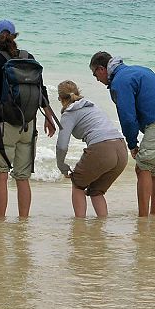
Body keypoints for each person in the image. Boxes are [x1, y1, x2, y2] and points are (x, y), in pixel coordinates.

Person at [89, 51, 155, 217]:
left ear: (102, 69)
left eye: (95, 74)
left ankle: (143, 217)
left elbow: (127, 116)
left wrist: (132, 143)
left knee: (143, 167)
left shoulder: (119, 81)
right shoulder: (138, 69)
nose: (97, 79)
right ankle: (154, 215)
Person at [0, 20, 58, 218]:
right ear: (15, 36)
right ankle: (23, 221)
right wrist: (49, 117)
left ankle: (0, 222)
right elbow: (40, 90)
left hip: (3, 125)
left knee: (0, 176)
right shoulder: (28, 58)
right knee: (23, 178)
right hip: (28, 123)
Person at [54, 80, 128, 217]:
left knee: (77, 184)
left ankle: (79, 224)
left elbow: (62, 146)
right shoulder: (92, 105)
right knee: (97, 191)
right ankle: (102, 224)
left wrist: (61, 165)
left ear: (60, 98)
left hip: (102, 149)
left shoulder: (69, 113)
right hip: (121, 149)